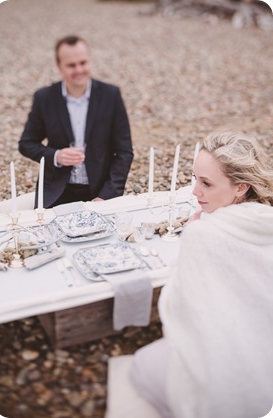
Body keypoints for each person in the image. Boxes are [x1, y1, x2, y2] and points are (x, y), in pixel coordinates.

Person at [129, 131, 273, 418]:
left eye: (206, 183)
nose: (195, 191)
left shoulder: (204, 233)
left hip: (226, 372)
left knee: (140, 366)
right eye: (195, 178)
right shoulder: (265, 220)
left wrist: (197, 230)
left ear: (241, 187)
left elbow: (181, 308)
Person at [19, 35, 133, 208]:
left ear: (89, 61)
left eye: (83, 63)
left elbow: (124, 152)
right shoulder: (44, 98)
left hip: (99, 190)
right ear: (59, 66)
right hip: (55, 192)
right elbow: (26, 143)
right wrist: (56, 156)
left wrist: (107, 195)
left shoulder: (111, 95)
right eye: (71, 65)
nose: (79, 70)